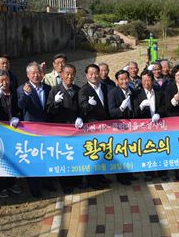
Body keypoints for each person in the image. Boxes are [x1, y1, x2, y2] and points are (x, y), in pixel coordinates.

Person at [46, 63, 84, 193]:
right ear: (62, 75)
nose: (70, 76)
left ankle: (77, 181)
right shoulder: (55, 90)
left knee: (76, 155)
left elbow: (81, 108)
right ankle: (66, 184)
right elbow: (49, 110)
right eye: (67, 73)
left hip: (75, 130)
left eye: (72, 74)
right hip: (61, 131)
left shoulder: (78, 90)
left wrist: (80, 117)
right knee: (65, 157)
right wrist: (55, 103)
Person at [18, 61, 54, 196]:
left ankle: (47, 183)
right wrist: (26, 95)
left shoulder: (48, 88)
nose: (36, 75)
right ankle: (35, 189)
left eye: (38, 72)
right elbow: (20, 105)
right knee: (33, 159)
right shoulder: (23, 88)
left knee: (46, 157)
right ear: (28, 75)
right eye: (32, 73)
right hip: (31, 131)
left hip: (46, 129)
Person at [0, 69, 24, 197]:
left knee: (13, 157)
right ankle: (1, 187)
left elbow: (20, 109)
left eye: (6, 79)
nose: (5, 82)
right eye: (1, 80)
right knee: (0, 158)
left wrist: (17, 117)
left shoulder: (15, 92)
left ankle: (12, 183)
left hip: (14, 130)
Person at [77, 64, 112, 189]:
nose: (94, 76)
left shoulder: (103, 87)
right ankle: (92, 182)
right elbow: (83, 108)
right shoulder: (84, 90)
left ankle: (101, 177)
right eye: (91, 73)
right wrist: (89, 104)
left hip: (104, 126)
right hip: (92, 128)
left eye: (96, 73)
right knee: (94, 154)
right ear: (86, 75)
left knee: (102, 152)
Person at [133, 70, 167, 180]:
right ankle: (149, 173)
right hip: (144, 128)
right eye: (144, 81)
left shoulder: (159, 92)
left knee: (160, 149)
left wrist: (158, 113)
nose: (146, 83)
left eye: (148, 80)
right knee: (147, 150)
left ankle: (162, 173)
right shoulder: (136, 94)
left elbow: (163, 106)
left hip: (158, 126)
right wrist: (141, 107)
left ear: (152, 80)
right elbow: (134, 113)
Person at [108, 69, 137, 186]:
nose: (124, 81)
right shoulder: (113, 92)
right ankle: (121, 177)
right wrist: (121, 108)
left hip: (131, 128)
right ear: (117, 81)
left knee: (130, 151)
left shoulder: (132, 91)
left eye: (126, 79)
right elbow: (111, 112)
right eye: (121, 79)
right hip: (120, 128)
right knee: (121, 153)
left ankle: (130, 173)